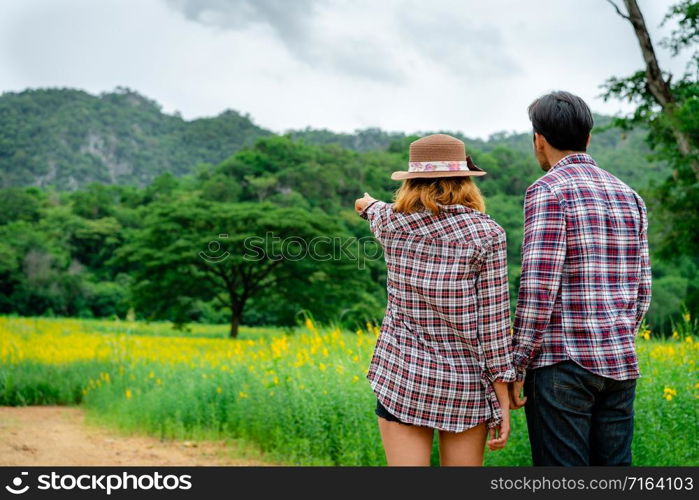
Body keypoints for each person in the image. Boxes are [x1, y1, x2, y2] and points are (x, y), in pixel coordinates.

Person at [509, 91, 652, 466]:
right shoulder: (630, 196)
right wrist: (618, 332)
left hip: (562, 365)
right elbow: (643, 290)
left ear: (538, 139)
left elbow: (538, 289)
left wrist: (517, 363)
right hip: (619, 362)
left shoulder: (548, 191)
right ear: (587, 139)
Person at [354, 134, 515, 466]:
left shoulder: (389, 222)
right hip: (464, 386)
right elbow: (495, 328)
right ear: (465, 180)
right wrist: (502, 403)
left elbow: (366, 206)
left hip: (403, 377)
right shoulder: (488, 234)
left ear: (412, 181)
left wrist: (367, 204)